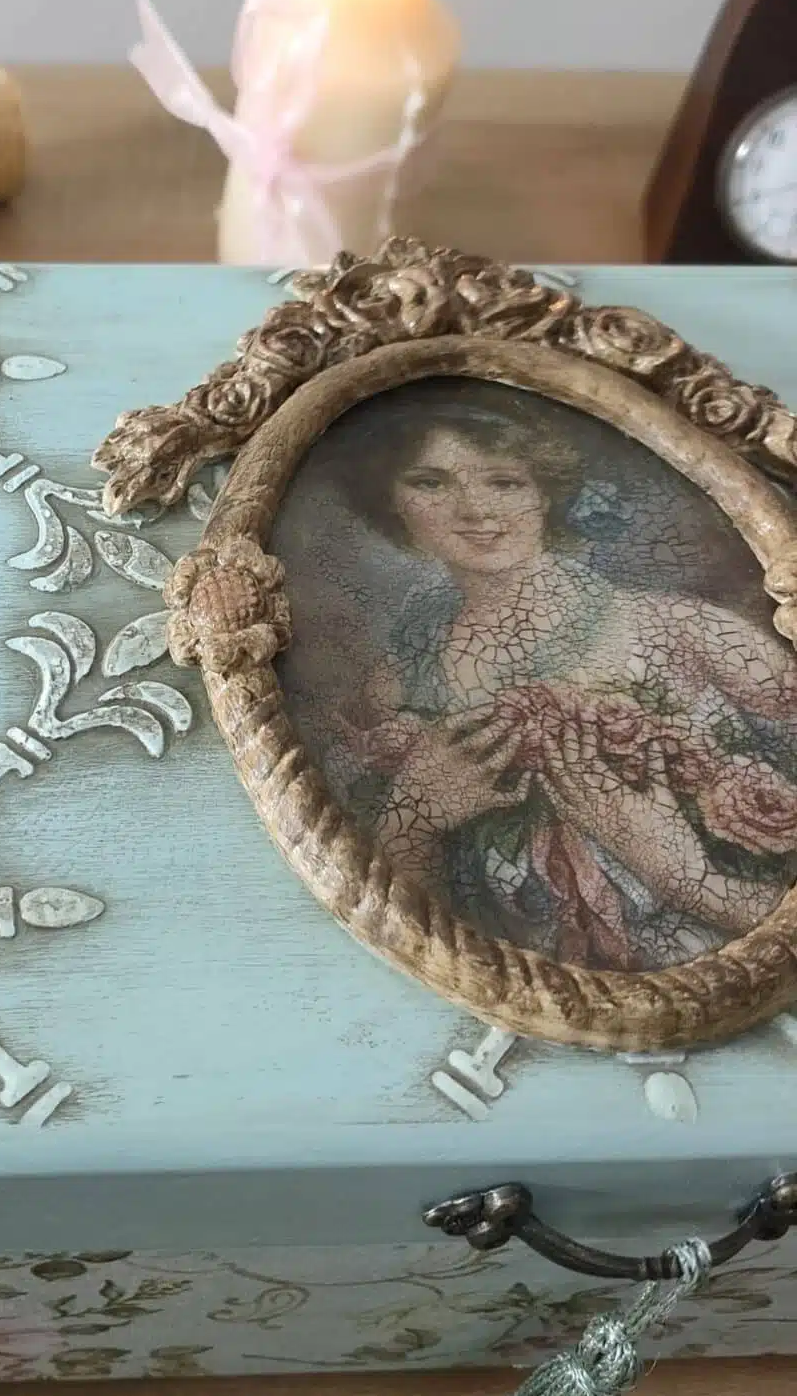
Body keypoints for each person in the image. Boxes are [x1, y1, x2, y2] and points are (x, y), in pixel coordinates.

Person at [321, 386, 797, 970]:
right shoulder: (393, 690)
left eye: (504, 482)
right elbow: (411, 924)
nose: (476, 511)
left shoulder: (683, 632)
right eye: (431, 482)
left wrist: (683, 877)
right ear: (392, 503)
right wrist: (414, 817)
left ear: (544, 492)